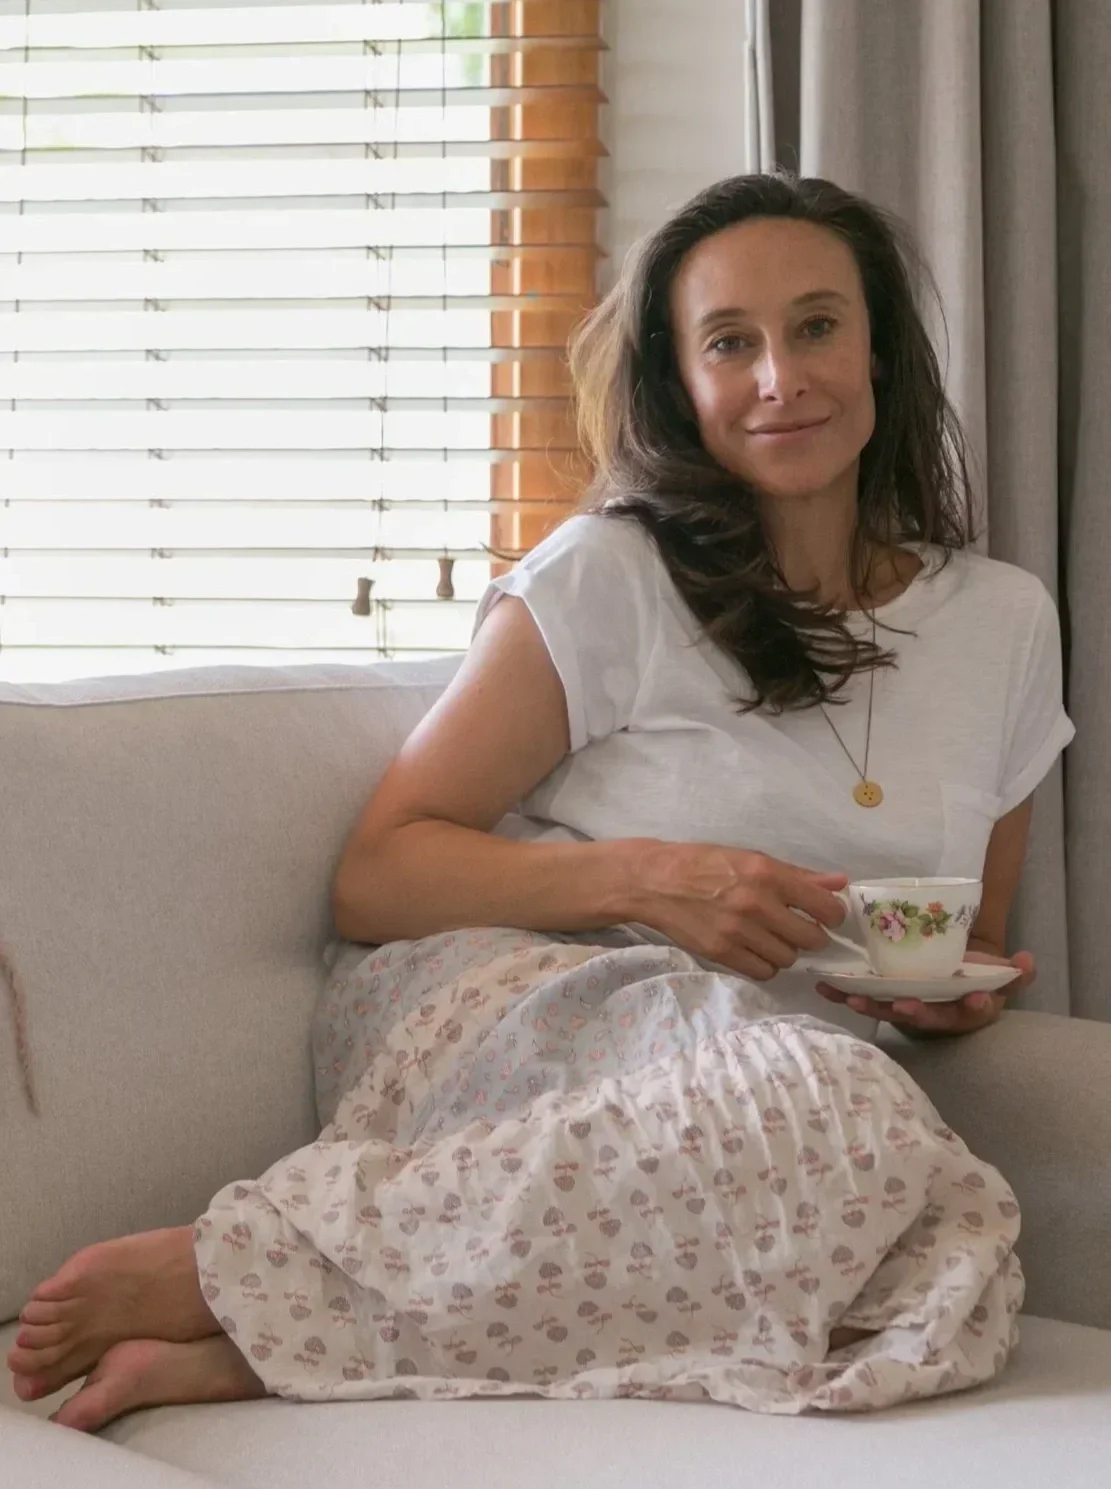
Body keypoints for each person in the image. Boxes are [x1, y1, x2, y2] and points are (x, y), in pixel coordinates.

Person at [8, 174, 1072, 1430]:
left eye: (818, 326)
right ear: (682, 381)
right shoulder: (608, 573)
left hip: (752, 1085)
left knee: (942, 1257)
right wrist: (651, 880)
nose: (781, 375)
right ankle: (227, 1259)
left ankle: (257, 1338)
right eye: (731, 342)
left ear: (882, 349)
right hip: (515, 999)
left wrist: (946, 995)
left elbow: (972, 931)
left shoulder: (1003, 621)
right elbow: (381, 870)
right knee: (849, 1123)